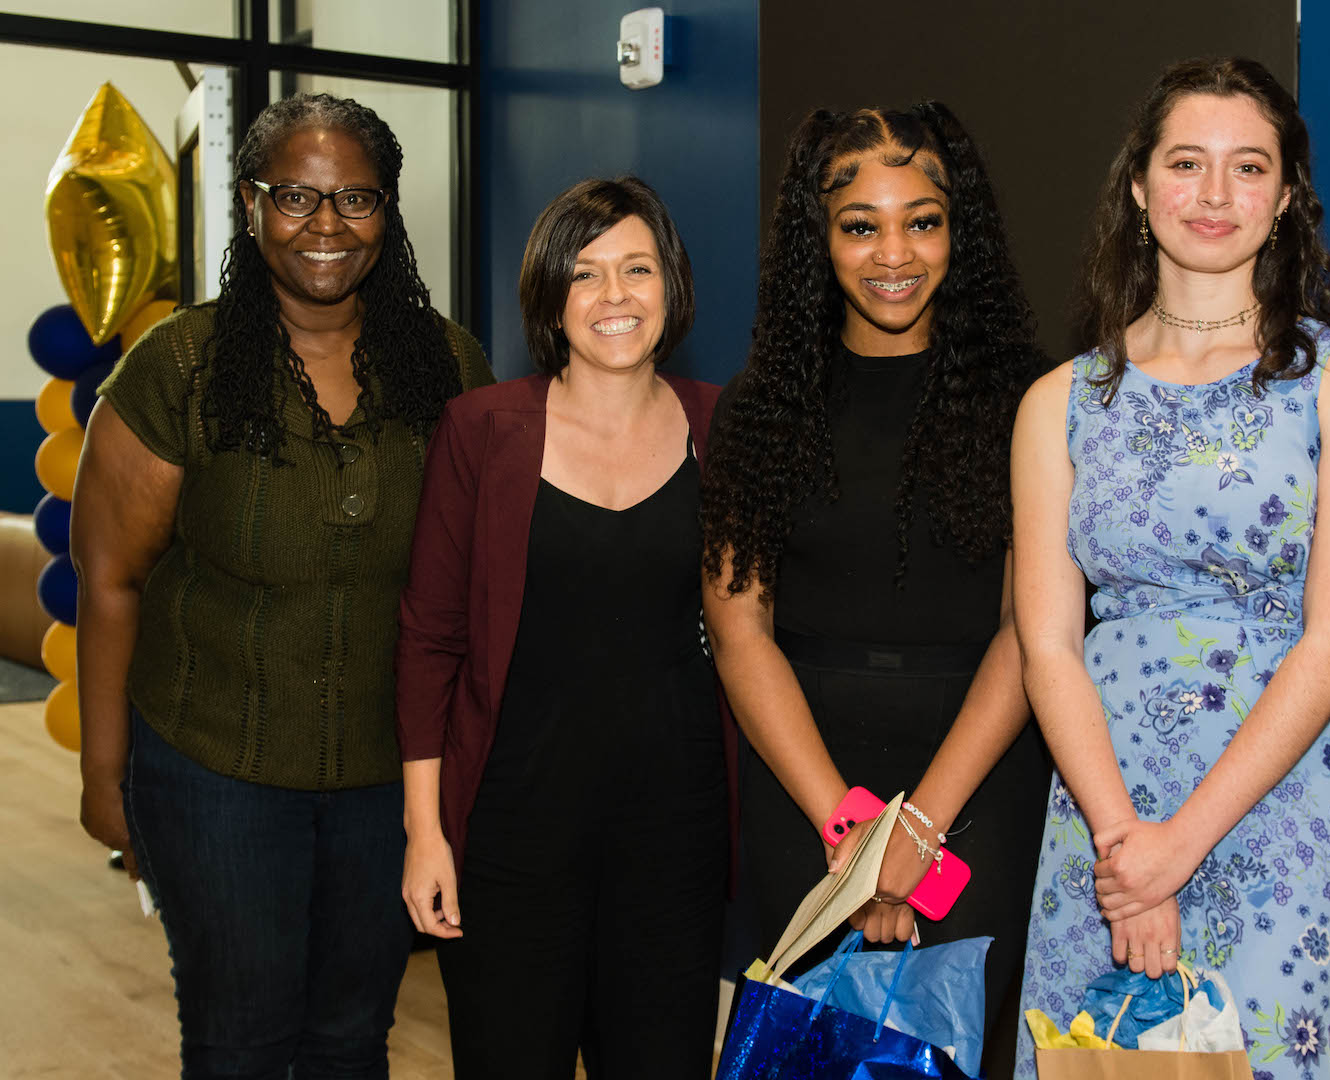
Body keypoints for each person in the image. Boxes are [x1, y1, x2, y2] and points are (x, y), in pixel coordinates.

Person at [71, 93, 491, 1076]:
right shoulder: (179, 365)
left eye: (355, 197)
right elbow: (110, 580)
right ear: (250, 204)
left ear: (388, 211)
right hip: (213, 772)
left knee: (353, 1038)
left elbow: (480, 580)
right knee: (240, 1041)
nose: (326, 226)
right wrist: (101, 775)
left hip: (393, 781)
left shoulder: (447, 363)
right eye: (295, 196)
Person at [1013, 57, 1330, 1077]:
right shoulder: (1059, 401)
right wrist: (1126, 848)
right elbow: (1048, 643)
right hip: (1107, 802)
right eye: (1187, 163)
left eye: (1248, 167)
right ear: (1140, 189)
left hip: (1281, 793)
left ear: (1285, 199)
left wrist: (1182, 843)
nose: (1216, 195)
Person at [701, 103, 1051, 1079]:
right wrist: (852, 835)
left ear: (959, 232)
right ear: (820, 241)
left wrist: (920, 831)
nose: (893, 251)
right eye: (860, 225)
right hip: (802, 788)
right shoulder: (759, 409)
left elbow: (1032, 634)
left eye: (923, 220)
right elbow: (740, 632)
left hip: (977, 785)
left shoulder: (1034, 398)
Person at [394, 177, 725, 1078]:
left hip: (677, 846)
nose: (615, 296)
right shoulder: (480, 431)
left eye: (637, 269)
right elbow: (430, 641)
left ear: (673, 284)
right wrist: (427, 834)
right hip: (510, 843)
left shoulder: (723, 428)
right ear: (550, 297)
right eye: (585, 274)